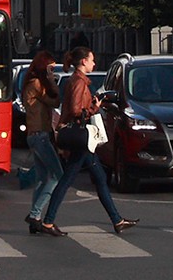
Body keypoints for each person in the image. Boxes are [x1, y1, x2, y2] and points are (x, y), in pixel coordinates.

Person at [40, 46, 138, 237]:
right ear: (84, 61)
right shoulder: (78, 82)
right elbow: (76, 110)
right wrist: (95, 106)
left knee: (100, 178)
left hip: (82, 138)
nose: (94, 63)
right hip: (80, 137)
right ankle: (48, 221)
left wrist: (92, 102)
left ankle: (117, 220)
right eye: (92, 60)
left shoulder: (79, 81)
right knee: (68, 180)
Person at [22, 50, 63, 234]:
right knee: (57, 174)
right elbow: (54, 101)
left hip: (35, 134)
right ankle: (35, 213)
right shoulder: (37, 84)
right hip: (40, 135)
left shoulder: (33, 83)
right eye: (50, 68)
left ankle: (34, 222)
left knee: (41, 178)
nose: (52, 72)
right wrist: (52, 82)